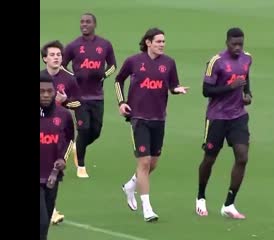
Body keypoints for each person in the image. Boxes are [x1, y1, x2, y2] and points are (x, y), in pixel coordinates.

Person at [115, 27, 189, 222]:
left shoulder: (169, 63)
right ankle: (147, 208)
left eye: (163, 41)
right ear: (148, 42)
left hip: (159, 118)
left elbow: (172, 85)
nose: (162, 45)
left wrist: (177, 89)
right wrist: (122, 102)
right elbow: (118, 80)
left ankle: (131, 185)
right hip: (139, 118)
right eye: (158, 41)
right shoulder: (134, 61)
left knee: (152, 163)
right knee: (144, 161)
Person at [195, 27, 253, 219]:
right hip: (217, 118)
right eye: (234, 44)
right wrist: (230, 87)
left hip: (238, 116)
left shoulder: (247, 58)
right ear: (227, 42)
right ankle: (201, 197)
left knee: (242, 157)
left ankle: (229, 204)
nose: (237, 48)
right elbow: (206, 91)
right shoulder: (216, 62)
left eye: (240, 44)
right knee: (210, 158)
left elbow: (246, 79)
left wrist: (247, 95)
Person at [62, 12, 117, 178]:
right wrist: (73, 77)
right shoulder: (73, 46)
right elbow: (62, 66)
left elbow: (113, 65)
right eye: (82, 22)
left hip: (97, 96)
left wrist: (103, 75)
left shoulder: (105, 44)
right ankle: (81, 166)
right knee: (84, 128)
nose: (84, 24)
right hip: (79, 96)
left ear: (94, 24)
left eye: (88, 22)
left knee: (96, 131)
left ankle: (77, 146)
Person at [40, 40, 82, 224]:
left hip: (58, 129)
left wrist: (64, 102)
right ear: (45, 59)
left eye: (59, 55)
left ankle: (51, 210)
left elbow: (78, 103)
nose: (56, 58)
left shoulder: (69, 78)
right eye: (52, 55)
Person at [40, 72, 74, 240]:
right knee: (42, 220)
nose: (46, 95)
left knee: (44, 223)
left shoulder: (64, 115)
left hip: (52, 176)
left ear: (55, 92)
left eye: (49, 91)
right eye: (41, 91)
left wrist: (63, 159)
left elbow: (70, 140)